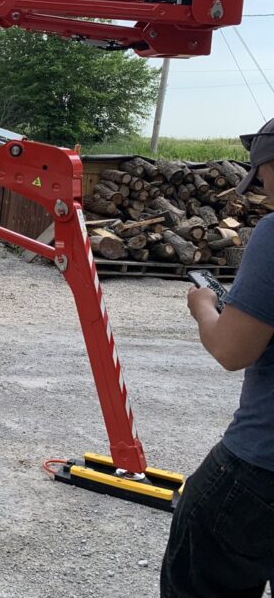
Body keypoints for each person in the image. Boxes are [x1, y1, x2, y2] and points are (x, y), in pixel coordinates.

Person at [161, 117, 274, 597]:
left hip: (261, 470)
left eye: (266, 178)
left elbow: (232, 349)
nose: (267, 193)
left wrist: (206, 309)